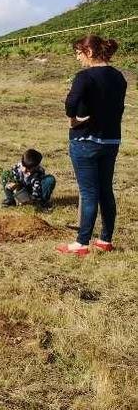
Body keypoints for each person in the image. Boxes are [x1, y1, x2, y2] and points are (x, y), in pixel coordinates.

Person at [56, 35, 127, 256]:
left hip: (85, 140)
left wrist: (74, 119)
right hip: (111, 140)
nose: (77, 58)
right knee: (106, 190)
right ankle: (105, 240)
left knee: (88, 192)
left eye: (78, 53)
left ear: (89, 52)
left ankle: (81, 243)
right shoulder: (119, 77)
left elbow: (70, 103)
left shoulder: (84, 77)